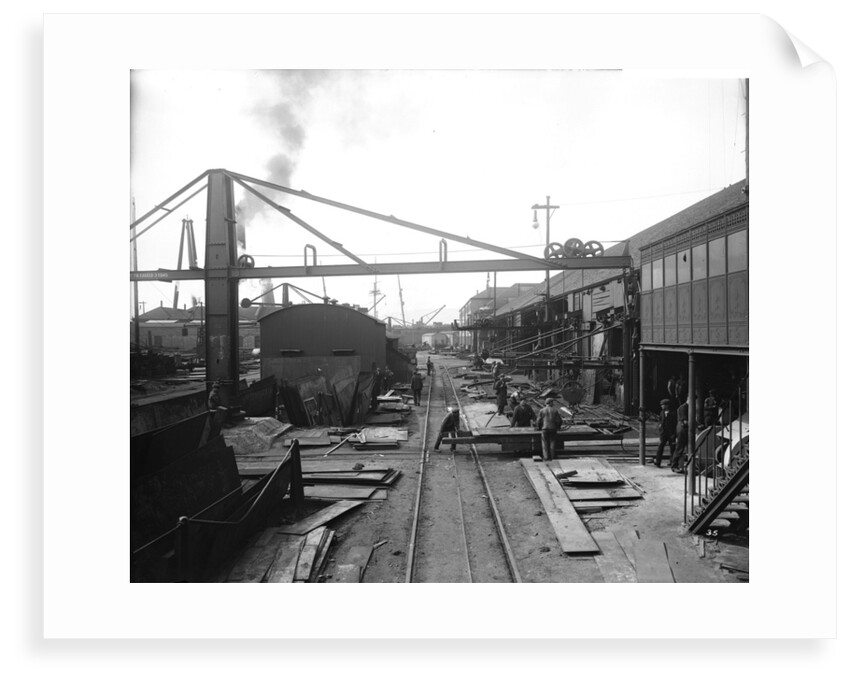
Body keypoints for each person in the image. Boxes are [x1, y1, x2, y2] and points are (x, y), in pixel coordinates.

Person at [653, 398, 677, 467]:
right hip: (663, 433)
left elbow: (675, 423)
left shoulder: (673, 413)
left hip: (671, 433)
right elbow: (660, 420)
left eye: (662, 405)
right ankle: (658, 461)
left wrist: (674, 434)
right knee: (660, 447)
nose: (661, 406)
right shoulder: (662, 412)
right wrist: (660, 425)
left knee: (672, 448)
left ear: (667, 405)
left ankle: (672, 462)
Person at [670, 398, 690, 473]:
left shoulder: (687, 407)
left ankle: (680, 466)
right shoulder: (683, 408)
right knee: (679, 448)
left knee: (682, 448)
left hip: (685, 429)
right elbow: (685, 421)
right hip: (682, 429)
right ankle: (674, 465)